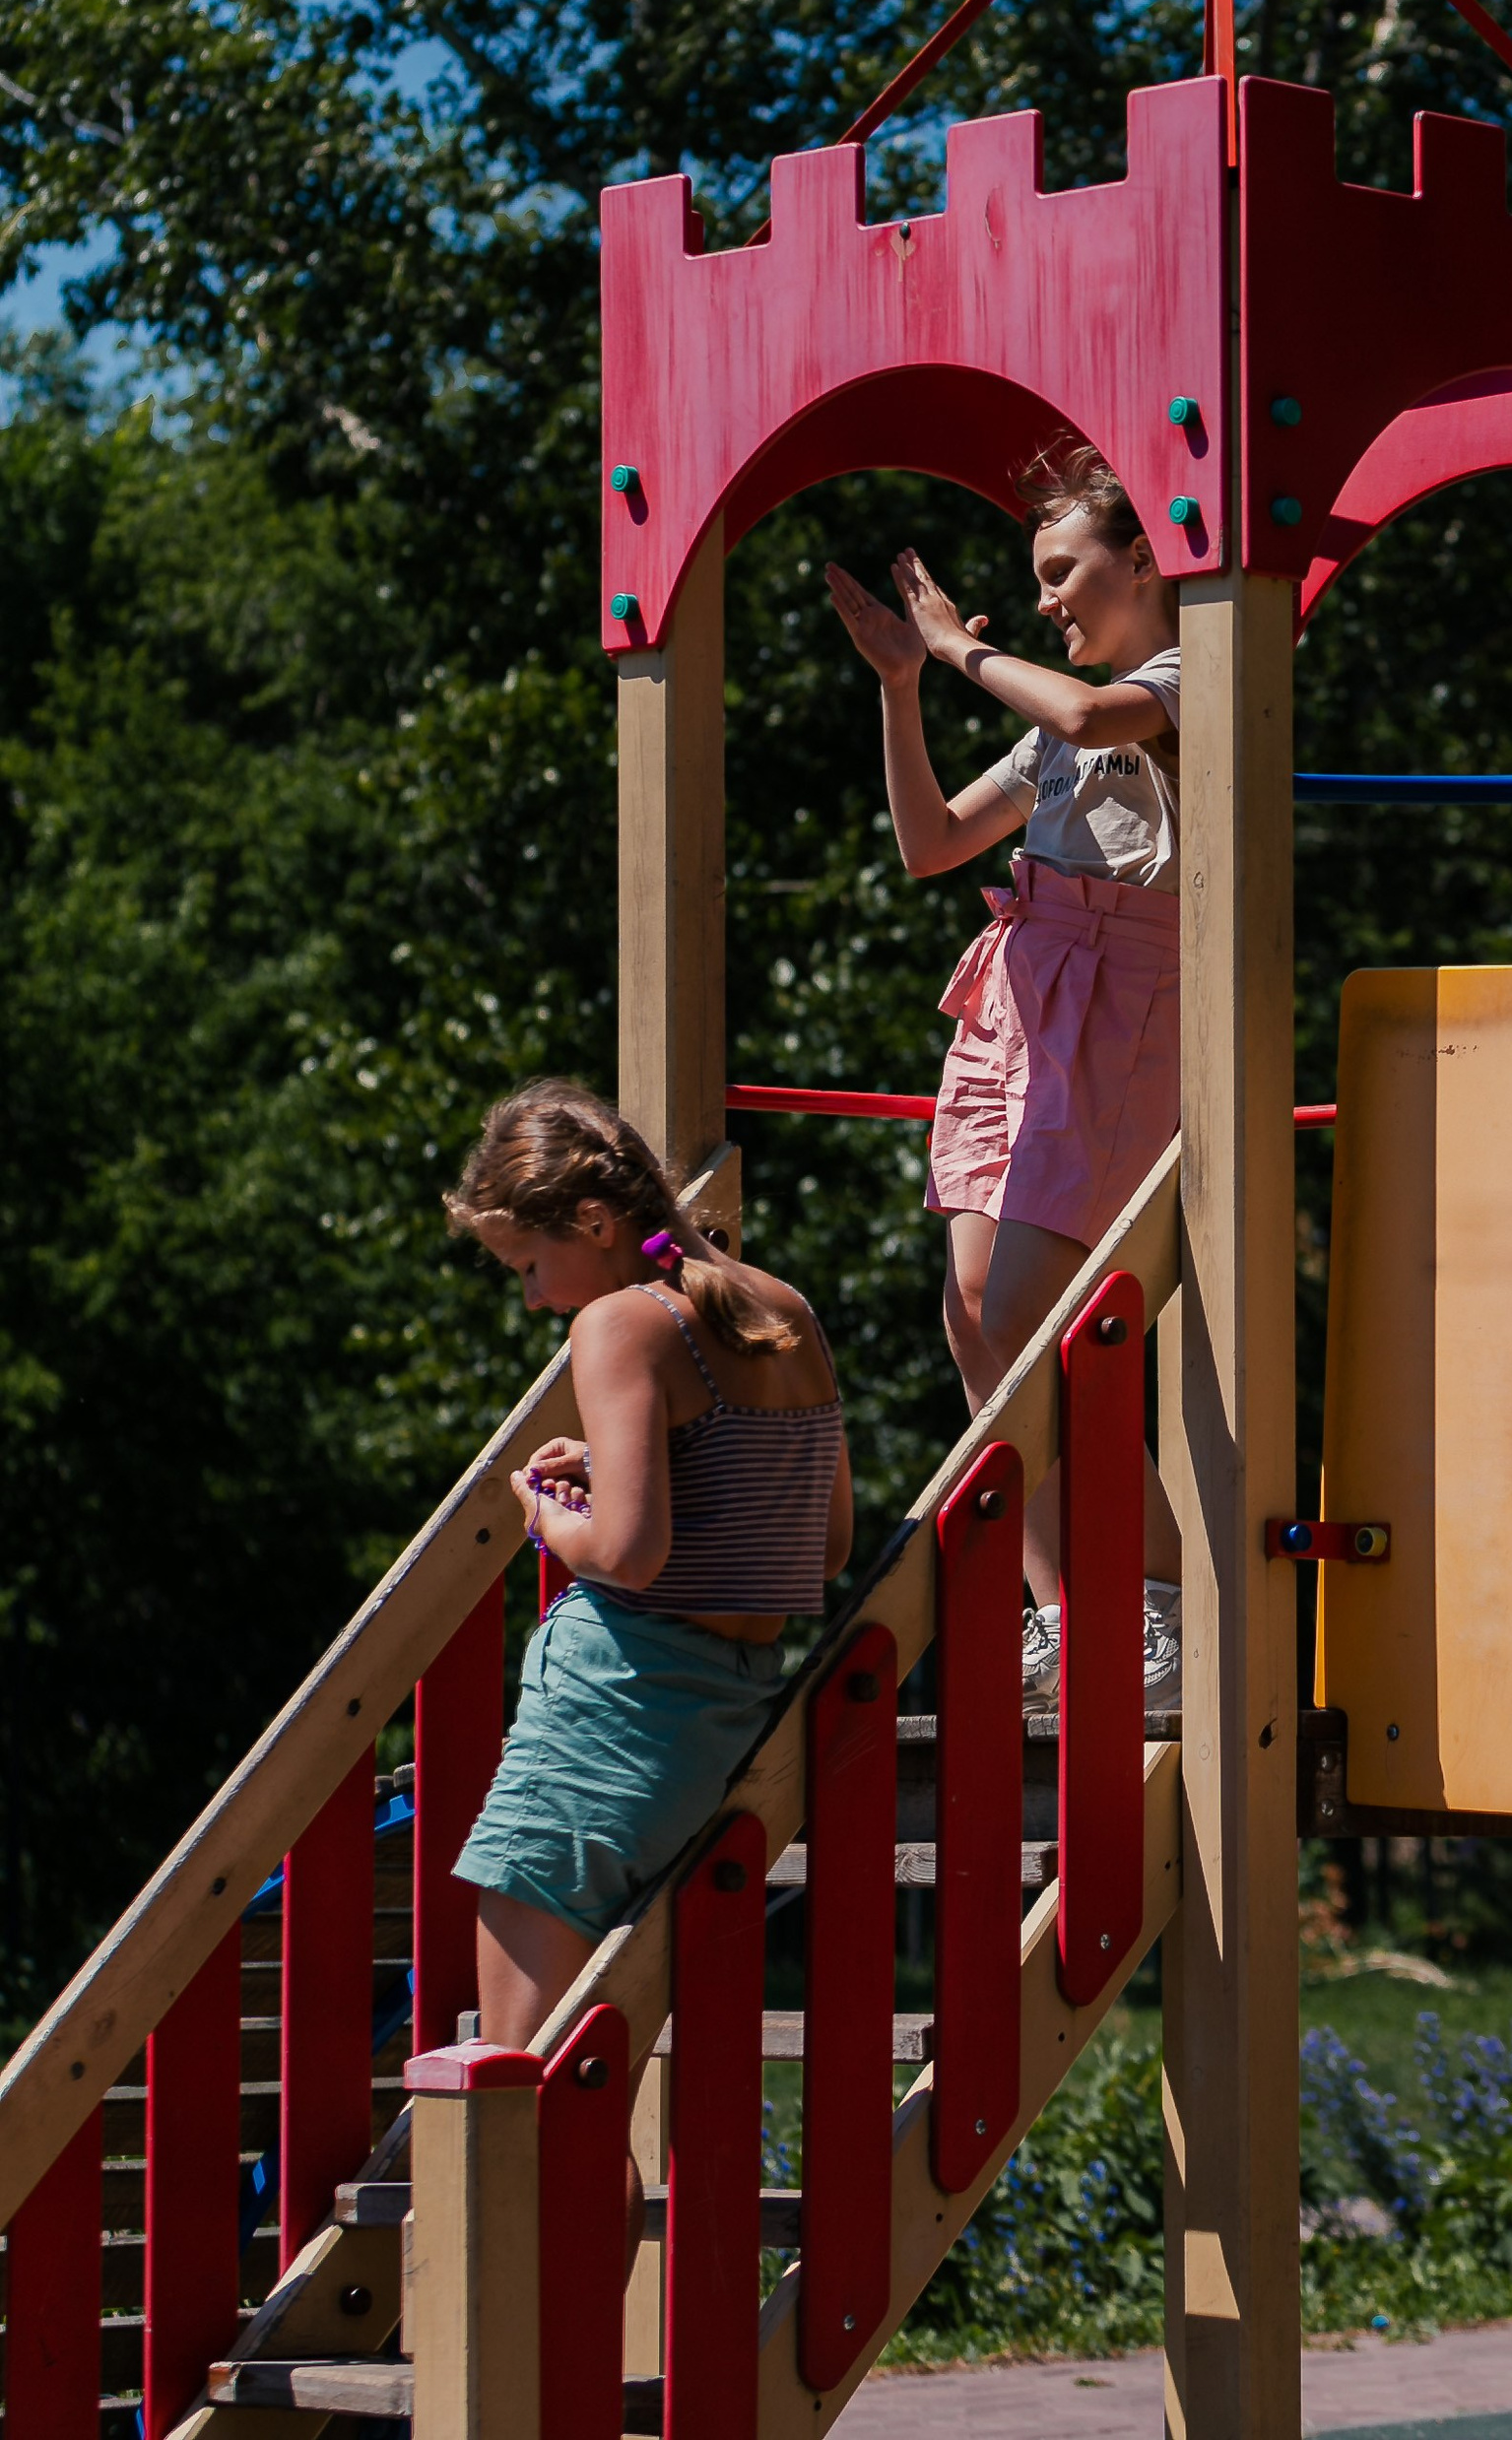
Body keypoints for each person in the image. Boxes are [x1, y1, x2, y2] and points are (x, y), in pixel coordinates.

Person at [823, 445, 1184, 1711]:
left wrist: (962, 649)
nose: (1045, 602)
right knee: (971, 1311)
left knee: (1038, 1309)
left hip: (1120, 1005)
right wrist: (904, 683)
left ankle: (1157, 1606)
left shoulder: (1188, 677)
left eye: (1062, 571)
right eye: (1034, 581)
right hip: (1017, 1003)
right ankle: (1062, 1616)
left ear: (1145, 558)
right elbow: (929, 846)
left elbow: (1086, 715)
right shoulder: (1051, 734)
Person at [446, 1080, 852, 2081]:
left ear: (593, 1220)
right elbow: (826, 1543)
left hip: (609, 1717)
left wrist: (540, 1511)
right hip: (723, 1713)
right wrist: (640, 1465)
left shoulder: (622, 1324)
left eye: (531, 1266)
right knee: (582, 2095)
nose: (535, 1296)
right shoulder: (783, 1307)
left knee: (526, 2091)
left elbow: (629, 1557)